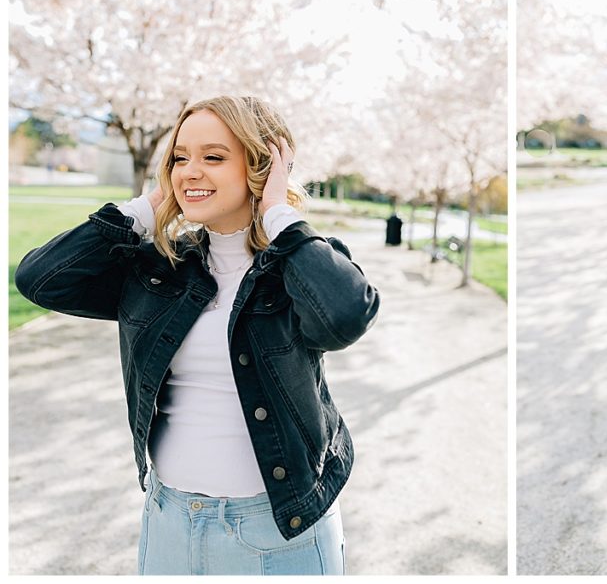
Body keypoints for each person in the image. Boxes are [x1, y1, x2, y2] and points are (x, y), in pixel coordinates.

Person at [16, 95, 381, 575]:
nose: (190, 170)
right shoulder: (159, 270)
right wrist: (151, 206)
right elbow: (41, 279)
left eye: (213, 157)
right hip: (170, 522)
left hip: (279, 534)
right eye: (179, 158)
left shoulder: (299, 263)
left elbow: (346, 315)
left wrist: (277, 211)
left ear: (260, 168)